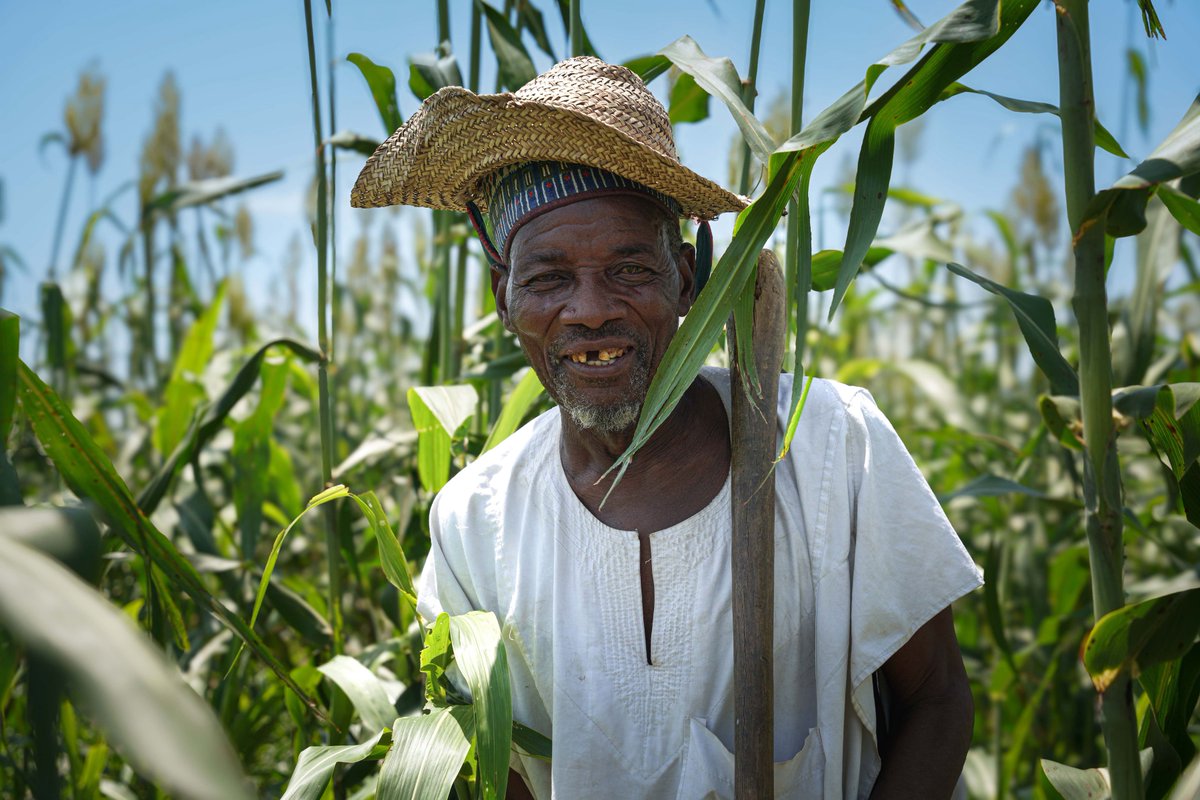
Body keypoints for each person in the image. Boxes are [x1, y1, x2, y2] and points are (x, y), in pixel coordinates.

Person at [352, 56, 982, 800]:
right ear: (503, 296)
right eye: (549, 277)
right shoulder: (473, 523)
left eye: (628, 270)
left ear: (684, 279)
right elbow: (507, 772)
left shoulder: (830, 447)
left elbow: (936, 699)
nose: (589, 310)